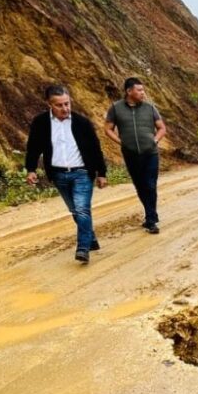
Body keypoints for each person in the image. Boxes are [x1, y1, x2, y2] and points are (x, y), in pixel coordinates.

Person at [24, 85, 108, 264]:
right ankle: (90, 238)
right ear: (50, 105)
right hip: (58, 174)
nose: (65, 108)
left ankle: (83, 248)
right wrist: (31, 169)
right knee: (74, 211)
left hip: (82, 173)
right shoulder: (41, 123)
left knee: (82, 209)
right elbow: (33, 147)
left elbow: (95, 148)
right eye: (60, 105)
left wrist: (102, 172)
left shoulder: (82, 122)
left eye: (67, 104)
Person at [104, 77, 166, 234]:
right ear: (129, 91)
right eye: (139, 90)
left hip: (150, 153)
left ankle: (151, 220)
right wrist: (120, 142)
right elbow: (108, 128)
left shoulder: (150, 108)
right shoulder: (116, 108)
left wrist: (155, 140)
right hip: (130, 154)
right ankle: (150, 213)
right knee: (140, 186)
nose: (142, 93)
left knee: (150, 185)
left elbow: (161, 128)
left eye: (143, 90)